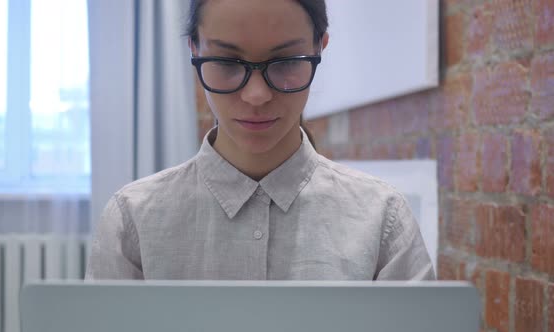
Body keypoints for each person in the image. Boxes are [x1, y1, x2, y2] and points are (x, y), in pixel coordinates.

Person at [86, 0, 435, 281]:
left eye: (286, 62)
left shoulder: (382, 219)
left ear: (320, 47)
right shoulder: (133, 220)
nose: (256, 95)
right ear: (194, 49)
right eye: (225, 61)